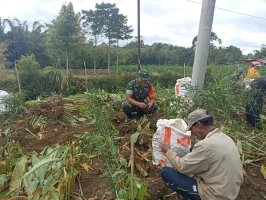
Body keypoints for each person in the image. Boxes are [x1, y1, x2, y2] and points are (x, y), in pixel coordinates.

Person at [160, 109, 243, 200]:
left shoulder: (205, 146)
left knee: (166, 172)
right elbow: (213, 165)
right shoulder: (226, 138)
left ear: (198, 125)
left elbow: (182, 166)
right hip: (231, 192)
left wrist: (168, 150)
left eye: (191, 129)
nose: (192, 134)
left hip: (215, 196)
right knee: (191, 173)